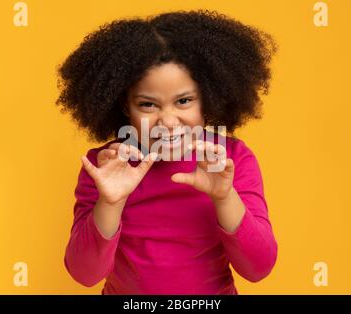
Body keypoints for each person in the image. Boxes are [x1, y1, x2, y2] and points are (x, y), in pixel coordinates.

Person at [56, 9, 278, 294]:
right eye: (148, 104)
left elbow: (258, 268)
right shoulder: (106, 167)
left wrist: (224, 197)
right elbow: (85, 274)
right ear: (126, 105)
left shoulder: (230, 159)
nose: (168, 122)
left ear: (208, 97)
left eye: (184, 101)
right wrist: (111, 203)